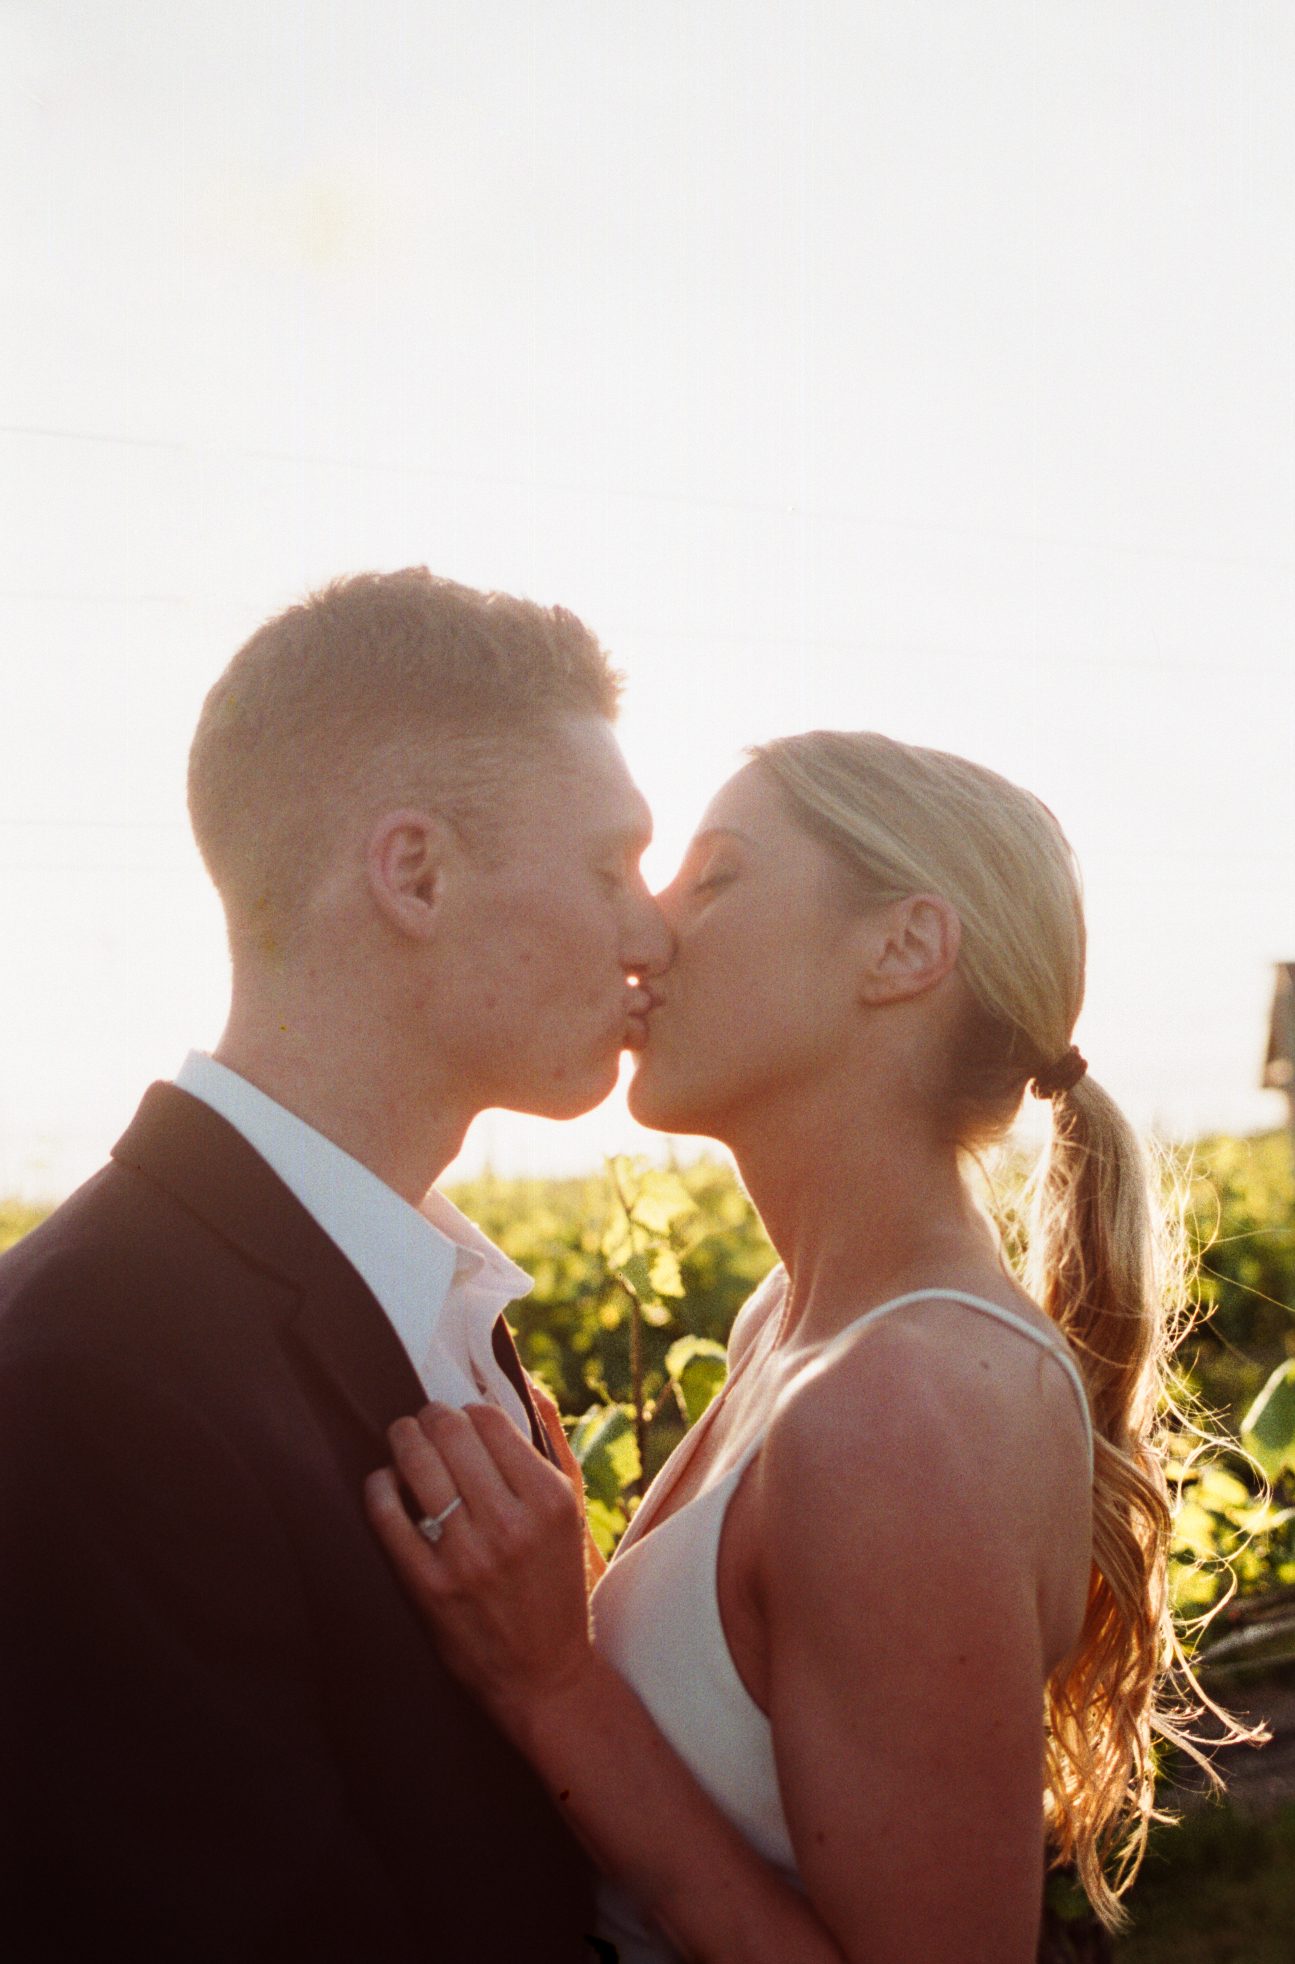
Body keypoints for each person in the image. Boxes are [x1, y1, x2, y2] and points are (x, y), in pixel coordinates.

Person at [368, 729, 1235, 1963]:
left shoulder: (898, 1410)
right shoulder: (789, 1320)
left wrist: (553, 1686)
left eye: (712, 877)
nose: (649, 931)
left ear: (900, 949)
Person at [0, 568, 673, 1961]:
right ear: (414, 872)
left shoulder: (430, 1301)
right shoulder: (84, 1376)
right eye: (611, 865)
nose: (650, 933)